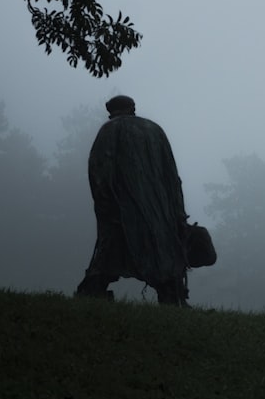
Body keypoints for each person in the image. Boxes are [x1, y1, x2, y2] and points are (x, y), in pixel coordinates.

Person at [75, 95, 190, 306]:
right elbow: (172, 176)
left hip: (123, 208)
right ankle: (172, 299)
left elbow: (100, 169)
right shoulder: (155, 130)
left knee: (109, 252)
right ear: (132, 108)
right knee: (161, 255)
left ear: (112, 111)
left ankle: (92, 292)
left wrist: (105, 203)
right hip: (159, 211)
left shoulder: (110, 129)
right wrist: (177, 212)